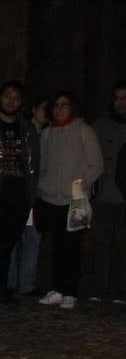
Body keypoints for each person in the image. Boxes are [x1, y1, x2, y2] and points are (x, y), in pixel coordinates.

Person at [34, 92, 103, 309]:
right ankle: (57, 287)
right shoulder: (47, 134)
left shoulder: (84, 131)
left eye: (64, 105)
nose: (60, 109)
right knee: (55, 245)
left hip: (74, 200)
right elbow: (43, 163)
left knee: (71, 246)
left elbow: (96, 164)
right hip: (50, 197)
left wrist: (80, 185)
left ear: (72, 107)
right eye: (56, 105)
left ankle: (70, 291)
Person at [0, 82, 39, 304]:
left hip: (19, 190)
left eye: (16, 97)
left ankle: (2, 286)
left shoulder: (26, 128)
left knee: (9, 242)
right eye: (7, 96)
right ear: (0, 99)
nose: (11, 100)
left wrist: (31, 194)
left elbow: (35, 161)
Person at [89, 81, 126, 303]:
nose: (121, 103)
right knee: (101, 242)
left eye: (125, 98)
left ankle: (120, 289)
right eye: (118, 98)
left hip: (124, 196)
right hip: (104, 195)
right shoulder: (100, 126)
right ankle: (100, 287)